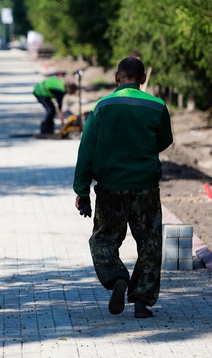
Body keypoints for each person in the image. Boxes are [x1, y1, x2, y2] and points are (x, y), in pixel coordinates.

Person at [72, 57, 173, 319]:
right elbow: (164, 140)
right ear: (142, 79)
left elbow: (87, 149)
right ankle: (141, 302)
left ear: (118, 77)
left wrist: (82, 190)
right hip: (146, 189)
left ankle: (116, 277)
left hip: (110, 189)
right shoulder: (157, 105)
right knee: (149, 243)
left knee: (103, 239)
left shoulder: (102, 106)